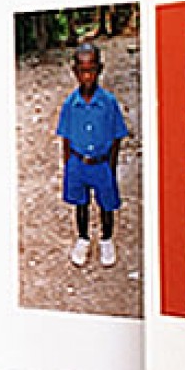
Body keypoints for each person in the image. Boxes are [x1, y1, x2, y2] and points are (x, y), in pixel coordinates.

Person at [56, 42, 129, 267]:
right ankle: (83, 238)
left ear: (100, 69)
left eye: (92, 70)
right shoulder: (70, 104)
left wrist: (111, 166)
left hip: (102, 163)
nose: (87, 76)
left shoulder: (108, 103)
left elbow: (117, 136)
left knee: (106, 204)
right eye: (82, 70)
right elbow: (65, 138)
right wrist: (68, 166)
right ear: (75, 71)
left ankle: (107, 239)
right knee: (81, 204)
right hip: (78, 163)